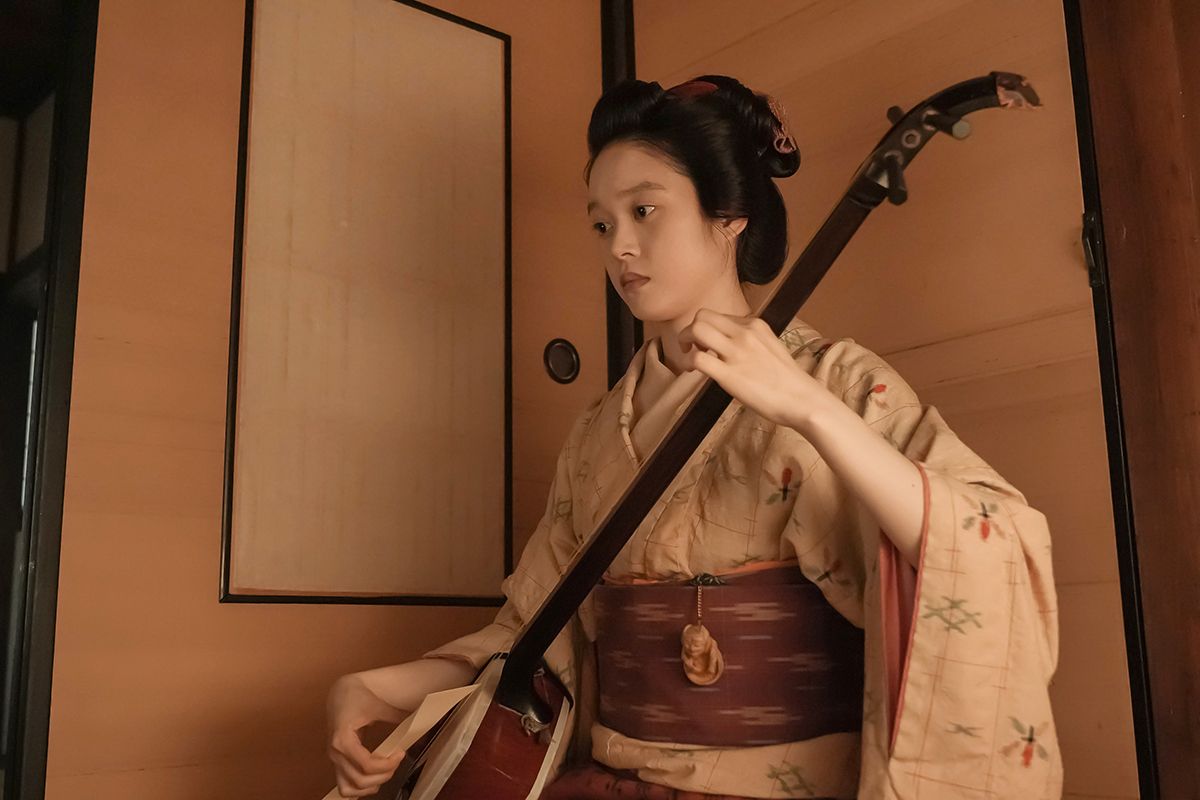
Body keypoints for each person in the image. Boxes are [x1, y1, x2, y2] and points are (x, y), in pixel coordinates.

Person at [325, 75, 1061, 799]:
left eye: (644, 210)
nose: (620, 246)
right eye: (602, 224)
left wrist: (811, 410)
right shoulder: (595, 434)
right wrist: (379, 687)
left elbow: (991, 541)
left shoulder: (834, 380)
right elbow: (534, 632)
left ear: (730, 214)